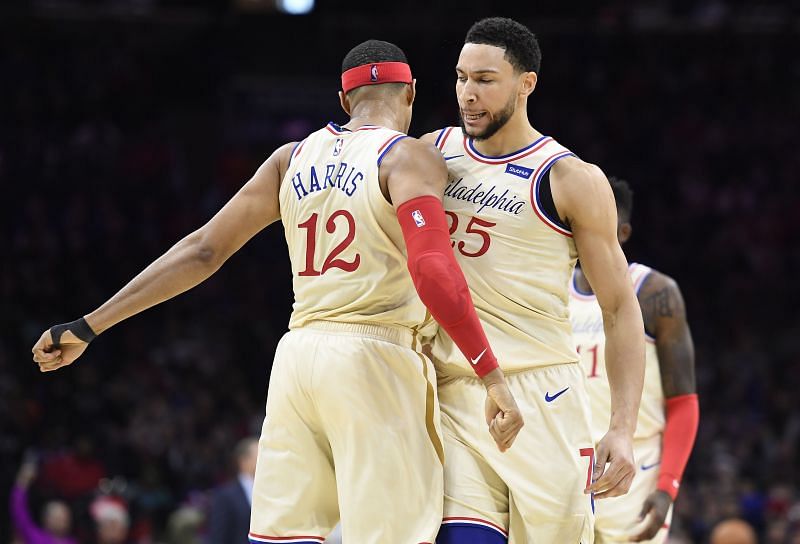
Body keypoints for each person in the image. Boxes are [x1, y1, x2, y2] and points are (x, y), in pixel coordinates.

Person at [32, 39, 524, 544]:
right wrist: (491, 375)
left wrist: (89, 324)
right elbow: (434, 271)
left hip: (297, 358)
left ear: (343, 100)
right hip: (376, 356)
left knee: (283, 536)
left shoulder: (290, 159)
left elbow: (203, 251)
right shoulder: (408, 157)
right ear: (412, 93)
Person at [422, 17, 645, 543]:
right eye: (460, 78)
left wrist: (621, 427)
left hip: (541, 394)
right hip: (454, 391)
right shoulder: (432, 154)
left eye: (484, 80)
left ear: (527, 83)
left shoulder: (569, 178)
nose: (467, 94)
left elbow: (619, 308)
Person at [570, 178, 699, 543]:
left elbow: (684, 404)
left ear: (622, 232)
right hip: (564, 463)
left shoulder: (656, 293)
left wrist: (667, 488)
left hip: (636, 469)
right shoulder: (549, 290)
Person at [10, 460, 76, 544]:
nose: (62, 521)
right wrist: (22, 481)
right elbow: (18, 510)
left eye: (65, 518)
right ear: (46, 520)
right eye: (58, 518)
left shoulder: (73, 542)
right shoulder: (36, 537)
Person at [206, 437, 258, 544]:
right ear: (243, 461)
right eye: (260, 455)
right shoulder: (225, 496)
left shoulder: (272, 492)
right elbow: (218, 537)